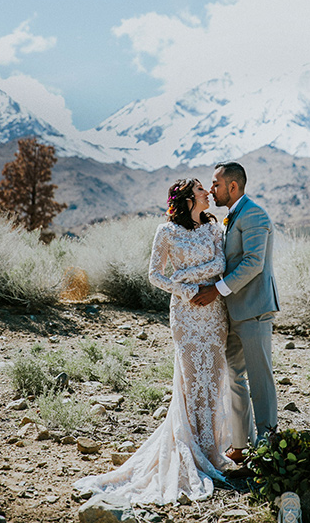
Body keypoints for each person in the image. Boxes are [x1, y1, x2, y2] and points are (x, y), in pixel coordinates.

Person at [74, 178, 235, 505]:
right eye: (202, 190)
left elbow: (220, 265)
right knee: (192, 382)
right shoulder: (166, 232)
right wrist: (187, 288)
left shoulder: (215, 230)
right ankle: (191, 449)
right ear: (189, 198)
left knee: (214, 380)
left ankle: (212, 450)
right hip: (186, 314)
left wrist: (186, 275)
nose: (208, 193)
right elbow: (155, 275)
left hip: (214, 313)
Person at [192, 161, 280, 465]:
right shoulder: (233, 217)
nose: (212, 189)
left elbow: (254, 263)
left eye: (216, 184)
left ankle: (269, 449)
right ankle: (242, 446)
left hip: (254, 311)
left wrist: (216, 290)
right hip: (233, 313)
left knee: (260, 381)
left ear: (233, 186)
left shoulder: (254, 214)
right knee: (235, 378)